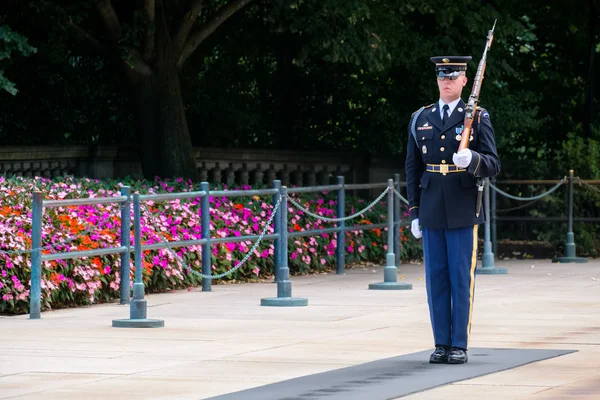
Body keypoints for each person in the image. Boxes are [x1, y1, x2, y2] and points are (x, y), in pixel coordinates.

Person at [405, 56, 500, 364]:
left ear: (464, 80)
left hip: (462, 206)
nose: (446, 80)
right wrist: (415, 211)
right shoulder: (421, 117)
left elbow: (493, 164)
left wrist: (472, 159)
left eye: (453, 75)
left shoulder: (478, 116)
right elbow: (412, 169)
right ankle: (440, 343)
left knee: (460, 277)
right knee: (436, 277)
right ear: (437, 80)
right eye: (441, 75)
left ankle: (458, 343)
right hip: (431, 206)